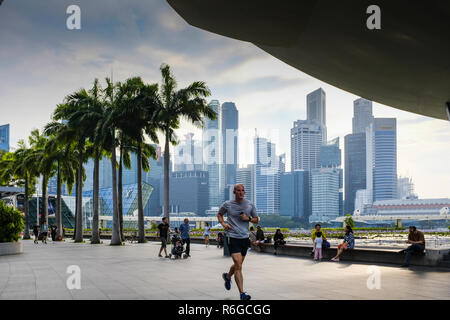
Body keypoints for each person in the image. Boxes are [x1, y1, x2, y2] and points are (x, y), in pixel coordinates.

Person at [218, 184, 259, 301]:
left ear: (244, 192)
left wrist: (249, 219)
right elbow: (219, 214)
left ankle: (227, 276)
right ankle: (242, 294)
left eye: (242, 191)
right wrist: (223, 224)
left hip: (245, 238)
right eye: (238, 190)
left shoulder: (250, 204)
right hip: (233, 237)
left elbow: (257, 219)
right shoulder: (228, 204)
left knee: (238, 265)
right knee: (239, 265)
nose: (241, 192)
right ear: (234, 192)